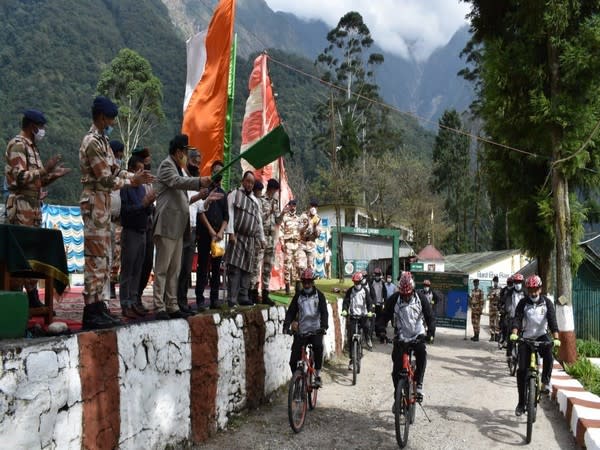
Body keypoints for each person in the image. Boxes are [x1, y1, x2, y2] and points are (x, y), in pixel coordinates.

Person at [79, 96, 154, 330]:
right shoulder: (92, 142)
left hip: (103, 207)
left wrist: (134, 177)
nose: (112, 122)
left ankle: (99, 305)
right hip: (95, 204)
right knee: (95, 259)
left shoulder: (103, 141)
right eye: (111, 118)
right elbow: (105, 178)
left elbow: (117, 169)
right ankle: (90, 310)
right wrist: (133, 183)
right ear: (102, 118)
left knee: (104, 259)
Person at [5, 109, 70, 307]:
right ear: (33, 127)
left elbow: (36, 179)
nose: (42, 131)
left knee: (32, 254)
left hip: (33, 206)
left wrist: (52, 176)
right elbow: (19, 177)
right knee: (20, 254)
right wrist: (45, 170)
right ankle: (15, 299)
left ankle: (32, 297)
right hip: (21, 206)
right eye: (41, 127)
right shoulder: (18, 145)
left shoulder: (32, 148)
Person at [152, 134, 213, 320]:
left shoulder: (180, 168)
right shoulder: (167, 166)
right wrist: (198, 181)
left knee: (175, 269)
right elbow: (177, 183)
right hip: (167, 224)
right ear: (179, 151)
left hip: (179, 226)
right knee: (162, 268)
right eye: (186, 151)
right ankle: (159, 305)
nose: (187, 155)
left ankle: (171, 304)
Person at [377, 271, 435, 404]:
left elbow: (430, 317)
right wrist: (381, 331)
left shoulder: (421, 298)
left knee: (422, 354)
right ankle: (398, 397)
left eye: (408, 294)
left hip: (417, 334)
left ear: (413, 290)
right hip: (401, 336)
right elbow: (384, 316)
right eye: (403, 295)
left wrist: (430, 333)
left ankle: (419, 385)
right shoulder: (395, 299)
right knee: (396, 371)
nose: (405, 297)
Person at [510, 275, 560, 416]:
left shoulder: (547, 303)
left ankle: (545, 382)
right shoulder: (523, 303)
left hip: (541, 336)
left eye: (536, 289)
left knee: (549, 354)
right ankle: (521, 403)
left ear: (540, 288)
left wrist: (556, 338)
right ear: (528, 289)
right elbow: (517, 319)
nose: (533, 292)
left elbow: (552, 321)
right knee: (521, 371)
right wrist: (514, 333)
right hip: (526, 338)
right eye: (531, 289)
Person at [119, 155, 156, 318]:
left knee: (138, 269)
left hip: (143, 231)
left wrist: (149, 204)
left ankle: (134, 300)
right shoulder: (126, 188)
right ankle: (125, 302)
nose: (143, 173)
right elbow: (125, 211)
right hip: (131, 230)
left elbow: (147, 209)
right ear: (133, 170)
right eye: (140, 170)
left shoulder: (142, 188)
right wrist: (143, 204)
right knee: (128, 269)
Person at [224, 171, 265, 307]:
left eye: (252, 183)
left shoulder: (255, 201)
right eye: (247, 181)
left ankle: (243, 297)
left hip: (251, 239)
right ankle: (232, 299)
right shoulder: (234, 194)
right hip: (237, 236)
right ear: (242, 181)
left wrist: (262, 239)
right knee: (235, 268)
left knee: (247, 269)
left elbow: (258, 221)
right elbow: (229, 214)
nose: (249, 184)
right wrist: (230, 233)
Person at [283, 268, 329, 388]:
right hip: (302, 331)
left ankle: (318, 375)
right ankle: (298, 380)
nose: (307, 284)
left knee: (318, 347)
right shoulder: (298, 296)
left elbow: (324, 312)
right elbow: (291, 312)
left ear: (313, 282)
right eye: (304, 282)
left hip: (316, 330)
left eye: (309, 282)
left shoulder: (320, 296)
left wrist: (324, 326)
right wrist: (286, 325)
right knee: (293, 361)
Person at [176, 148, 206, 313]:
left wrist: (207, 199)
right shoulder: (181, 178)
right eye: (195, 161)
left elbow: (200, 207)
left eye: (199, 163)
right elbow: (183, 201)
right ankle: (173, 302)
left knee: (187, 268)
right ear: (187, 160)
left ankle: (182, 301)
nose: (197, 165)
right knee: (178, 267)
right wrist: (199, 195)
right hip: (181, 225)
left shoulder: (195, 180)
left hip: (193, 227)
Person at [196, 160, 228, 309]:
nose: (218, 174)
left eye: (221, 171)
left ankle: (214, 299)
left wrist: (220, 232)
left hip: (219, 237)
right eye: (215, 171)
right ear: (211, 172)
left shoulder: (223, 194)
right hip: (205, 233)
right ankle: (200, 299)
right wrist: (211, 231)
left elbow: (226, 217)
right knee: (203, 266)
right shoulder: (204, 190)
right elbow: (200, 212)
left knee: (216, 268)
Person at [132, 146, 154, 314]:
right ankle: (131, 300)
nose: (148, 162)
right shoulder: (132, 180)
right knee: (134, 264)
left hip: (149, 225)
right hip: (135, 225)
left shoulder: (149, 180)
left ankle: (137, 296)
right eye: (144, 159)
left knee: (147, 263)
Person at [256, 178, 283, 305]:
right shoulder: (261, 200)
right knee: (257, 265)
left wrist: (282, 214)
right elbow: (258, 218)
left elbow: (277, 221)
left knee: (268, 267)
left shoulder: (276, 202)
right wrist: (269, 212)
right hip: (262, 237)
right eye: (274, 190)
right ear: (270, 189)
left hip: (272, 238)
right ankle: (253, 292)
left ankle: (265, 292)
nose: (275, 193)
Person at [341, 272, 374, 367]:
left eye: (358, 282)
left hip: (363, 316)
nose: (357, 284)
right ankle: (352, 360)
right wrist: (344, 310)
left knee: (367, 326)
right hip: (353, 316)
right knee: (351, 337)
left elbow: (369, 302)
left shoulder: (365, 291)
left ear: (361, 282)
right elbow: (346, 302)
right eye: (355, 282)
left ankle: (367, 338)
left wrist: (370, 311)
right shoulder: (350, 291)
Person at [108, 140, 125, 300]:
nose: (119, 158)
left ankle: (112, 284)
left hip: (118, 220)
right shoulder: (105, 171)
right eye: (117, 155)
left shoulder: (119, 172)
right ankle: (106, 286)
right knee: (106, 253)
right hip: (105, 219)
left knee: (116, 255)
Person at [280, 199, 303, 295]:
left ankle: (298, 287)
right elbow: (281, 230)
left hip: (297, 244)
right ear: (289, 206)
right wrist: (281, 242)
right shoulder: (285, 217)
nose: (293, 206)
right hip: (288, 243)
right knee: (287, 266)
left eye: (294, 205)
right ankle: (287, 288)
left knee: (298, 266)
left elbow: (301, 231)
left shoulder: (298, 219)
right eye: (291, 205)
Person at [505, 273, 525, 362]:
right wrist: (507, 310)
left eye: (519, 282)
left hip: (524, 318)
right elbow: (507, 303)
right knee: (511, 335)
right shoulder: (510, 292)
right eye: (516, 282)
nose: (517, 284)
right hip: (512, 317)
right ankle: (509, 354)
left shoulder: (525, 292)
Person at [299, 200, 321, 269]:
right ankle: (300, 279)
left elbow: (318, 235)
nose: (313, 208)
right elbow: (299, 230)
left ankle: (309, 280)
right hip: (302, 243)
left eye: (315, 207)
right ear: (309, 207)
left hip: (311, 244)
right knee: (301, 266)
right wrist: (306, 225)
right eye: (312, 206)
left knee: (310, 267)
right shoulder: (303, 216)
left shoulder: (318, 218)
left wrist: (315, 227)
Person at [369, 267, 387, 343]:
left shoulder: (382, 283)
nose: (377, 276)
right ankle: (370, 334)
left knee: (380, 319)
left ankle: (379, 333)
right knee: (372, 319)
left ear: (380, 275)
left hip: (380, 303)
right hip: (373, 304)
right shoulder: (371, 282)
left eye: (378, 275)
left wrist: (384, 303)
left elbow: (385, 294)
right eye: (376, 275)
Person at [487, 276, 502, 342]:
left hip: (497, 308)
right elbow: (488, 296)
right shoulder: (491, 289)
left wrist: (497, 296)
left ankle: (497, 336)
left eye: (496, 281)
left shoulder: (500, 289)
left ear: (498, 281)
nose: (495, 282)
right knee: (491, 322)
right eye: (494, 281)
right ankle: (492, 336)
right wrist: (492, 296)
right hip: (491, 307)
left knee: (498, 322)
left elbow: (501, 298)